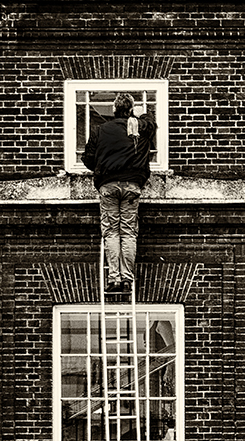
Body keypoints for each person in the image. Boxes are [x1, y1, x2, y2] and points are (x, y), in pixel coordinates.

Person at [82, 93, 157, 294]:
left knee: (111, 232)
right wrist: (141, 113)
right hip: (133, 184)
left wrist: (103, 166)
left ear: (114, 110)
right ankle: (127, 279)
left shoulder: (100, 130)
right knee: (129, 232)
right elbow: (151, 123)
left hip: (108, 185)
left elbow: (88, 159)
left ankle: (114, 278)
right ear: (130, 109)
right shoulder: (140, 126)